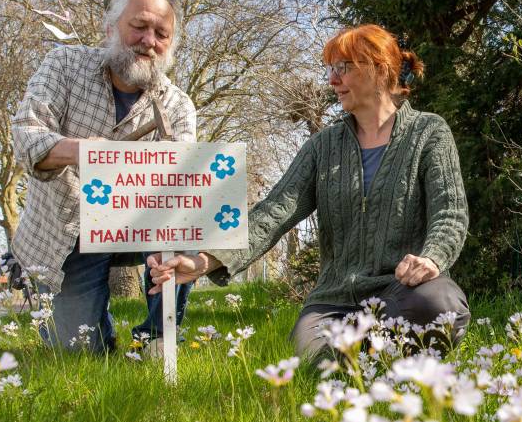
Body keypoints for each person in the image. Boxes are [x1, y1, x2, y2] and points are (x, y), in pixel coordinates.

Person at [147, 23, 470, 360]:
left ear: (379, 69)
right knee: (319, 363)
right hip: (334, 302)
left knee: (441, 305)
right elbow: (273, 213)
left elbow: (450, 213)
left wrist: (432, 258)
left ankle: (370, 358)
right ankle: (368, 360)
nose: (332, 80)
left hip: (402, 293)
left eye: (342, 68)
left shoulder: (428, 132)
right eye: (330, 69)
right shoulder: (323, 146)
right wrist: (205, 260)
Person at [11, 0, 196, 353]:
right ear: (111, 28)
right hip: (67, 232)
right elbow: (25, 136)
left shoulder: (178, 105)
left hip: (137, 222)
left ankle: (154, 339)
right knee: (78, 351)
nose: (149, 40)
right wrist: (81, 151)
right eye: (139, 26)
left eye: (162, 34)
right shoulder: (64, 65)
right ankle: (99, 330)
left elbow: (182, 189)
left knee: (187, 222)